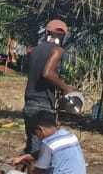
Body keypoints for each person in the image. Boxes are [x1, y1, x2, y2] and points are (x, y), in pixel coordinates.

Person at [22, 19, 78, 156]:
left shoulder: (34, 51)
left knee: (33, 147)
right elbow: (47, 73)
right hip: (43, 106)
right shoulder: (57, 51)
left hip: (29, 103)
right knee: (42, 152)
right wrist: (66, 88)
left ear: (46, 32)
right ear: (64, 36)